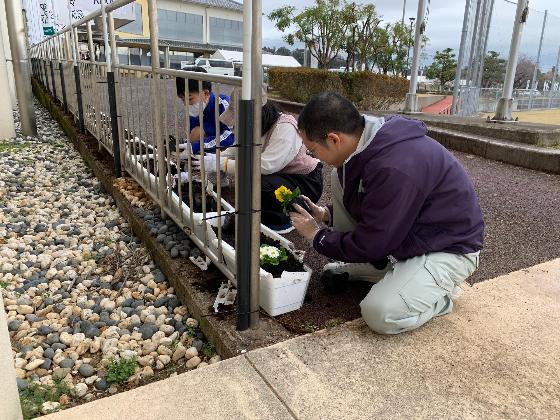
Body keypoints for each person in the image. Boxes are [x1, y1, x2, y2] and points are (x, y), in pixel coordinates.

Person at [289, 91, 484, 334]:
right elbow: (377, 204)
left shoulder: (395, 166)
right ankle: (386, 268)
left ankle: (441, 297)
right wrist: (326, 215)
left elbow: (374, 239)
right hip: (408, 237)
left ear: (334, 139)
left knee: (380, 313)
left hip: (447, 248)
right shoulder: (368, 140)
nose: (313, 156)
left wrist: (316, 236)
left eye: (312, 150)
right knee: (339, 177)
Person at [195, 90, 323, 233]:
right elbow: (238, 147)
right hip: (279, 176)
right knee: (250, 181)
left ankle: (285, 219)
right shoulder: (255, 126)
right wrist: (217, 158)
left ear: (256, 114)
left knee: (256, 184)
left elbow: (266, 165)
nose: (238, 124)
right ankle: (265, 214)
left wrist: (223, 164)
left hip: (305, 181)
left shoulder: (285, 127)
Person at [175, 67, 234, 154]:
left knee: (198, 133)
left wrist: (197, 146)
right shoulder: (195, 109)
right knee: (196, 132)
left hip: (226, 152)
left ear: (206, 93)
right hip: (208, 146)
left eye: (190, 99)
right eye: (183, 99)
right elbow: (193, 134)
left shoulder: (224, 105)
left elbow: (231, 136)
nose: (186, 104)